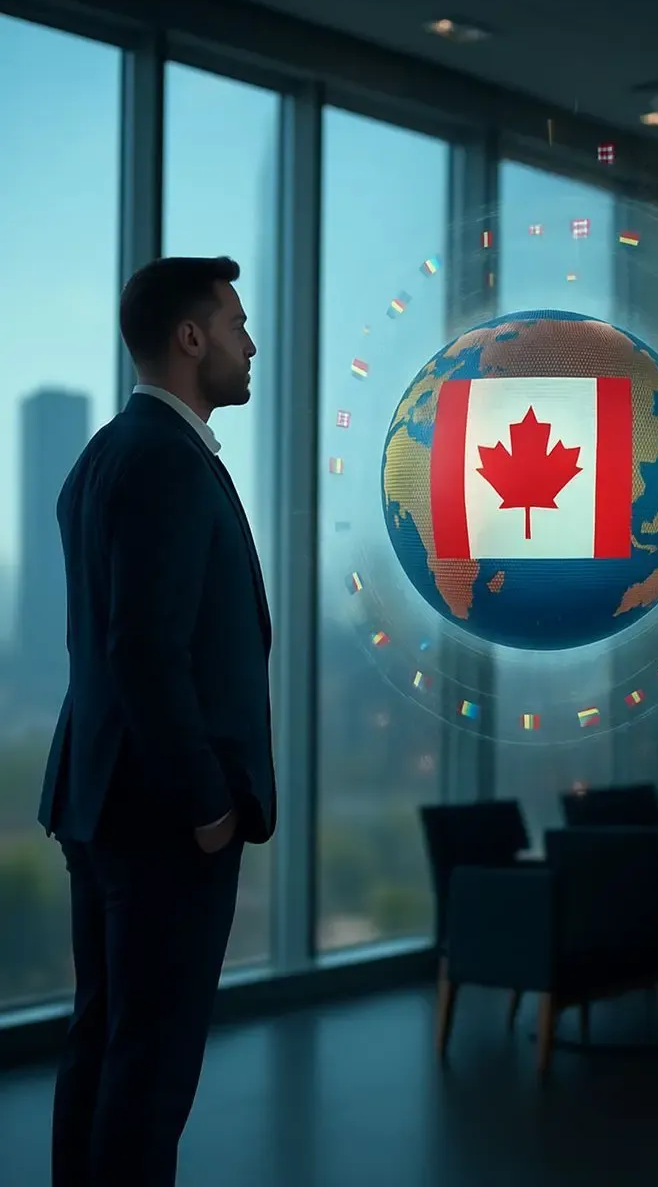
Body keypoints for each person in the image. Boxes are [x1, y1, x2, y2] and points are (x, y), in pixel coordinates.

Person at [38, 255, 277, 1187]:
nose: (248, 344)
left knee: (104, 1049)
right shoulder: (165, 463)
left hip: (103, 800)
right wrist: (208, 806)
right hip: (162, 819)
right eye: (236, 325)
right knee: (150, 1069)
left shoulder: (102, 457)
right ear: (190, 338)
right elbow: (143, 651)